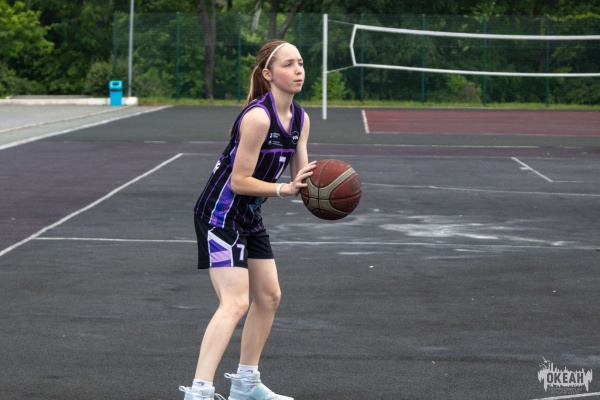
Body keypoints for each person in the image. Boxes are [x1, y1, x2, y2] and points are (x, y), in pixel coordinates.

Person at [179, 40, 316, 400]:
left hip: (248, 216)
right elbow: (239, 182)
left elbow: (299, 179)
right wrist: (284, 189)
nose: (298, 70)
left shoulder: (301, 119)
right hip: (219, 215)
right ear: (268, 74)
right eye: (289, 64)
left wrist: (323, 190)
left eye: (301, 63)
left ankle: (245, 384)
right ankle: (199, 391)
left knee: (269, 296)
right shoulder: (258, 118)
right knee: (236, 302)